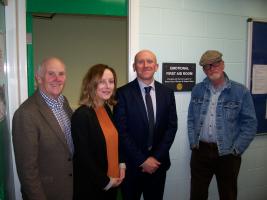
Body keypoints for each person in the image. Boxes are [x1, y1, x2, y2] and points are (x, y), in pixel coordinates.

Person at [187, 50, 258, 200]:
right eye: (207, 66)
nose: (212, 68)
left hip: (228, 154)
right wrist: (193, 142)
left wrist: (236, 150)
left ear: (223, 64)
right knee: (197, 195)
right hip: (200, 152)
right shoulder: (197, 90)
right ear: (204, 70)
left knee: (228, 195)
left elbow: (250, 124)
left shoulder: (240, 91)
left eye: (215, 64)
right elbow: (191, 119)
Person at [113, 49, 178, 200]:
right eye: (140, 62)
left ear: (156, 66)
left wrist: (155, 157)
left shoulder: (167, 93)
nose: (145, 65)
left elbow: (171, 127)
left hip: (158, 166)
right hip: (132, 167)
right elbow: (121, 131)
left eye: (149, 61)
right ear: (134, 66)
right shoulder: (122, 93)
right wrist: (142, 160)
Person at [12, 57, 74, 200]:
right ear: (39, 78)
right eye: (51, 73)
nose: (57, 79)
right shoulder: (26, 114)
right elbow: (27, 171)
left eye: (61, 74)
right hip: (46, 193)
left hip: (68, 188)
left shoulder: (64, 103)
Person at [71, 64, 125, 200]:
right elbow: (84, 157)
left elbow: (113, 142)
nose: (108, 86)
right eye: (102, 81)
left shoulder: (106, 108)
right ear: (91, 84)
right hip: (93, 187)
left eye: (111, 82)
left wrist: (121, 165)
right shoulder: (82, 115)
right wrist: (106, 182)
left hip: (112, 182)